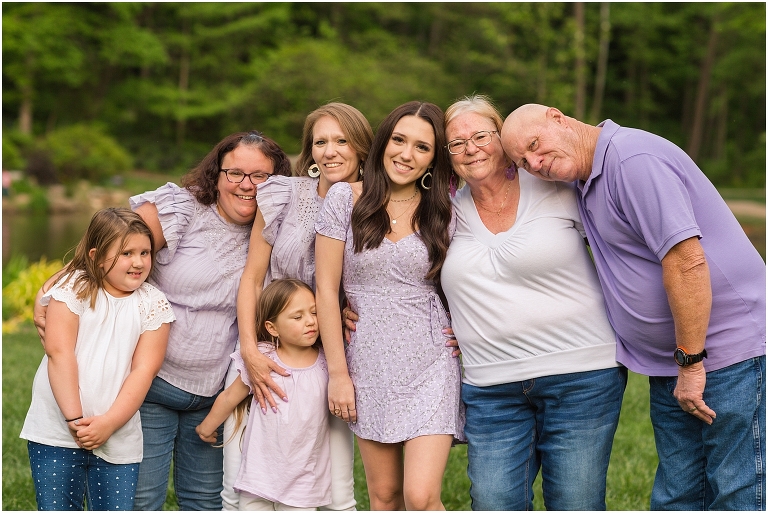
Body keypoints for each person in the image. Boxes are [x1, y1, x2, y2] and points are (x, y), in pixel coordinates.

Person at [501, 104, 766, 510]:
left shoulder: (633, 160)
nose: (535, 164)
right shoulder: (583, 178)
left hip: (725, 354)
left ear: (558, 117)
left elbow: (686, 260)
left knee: (737, 490)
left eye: (535, 146)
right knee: (678, 494)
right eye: (523, 162)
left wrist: (691, 362)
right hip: (674, 361)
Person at [437, 95, 624, 510]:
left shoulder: (555, 184)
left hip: (582, 376)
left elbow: (622, 246)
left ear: (502, 139)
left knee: (575, 502)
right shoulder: (444, 212)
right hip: (490, 387)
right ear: (447, 156)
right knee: (492, 502)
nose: (471, 148)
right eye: (457, 143)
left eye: (481, 135)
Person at [315, 101, 464, 511]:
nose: (406, 154)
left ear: (435, 159)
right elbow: (326, 290)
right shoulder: (347, 199)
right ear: (383, 142)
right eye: (399, 140)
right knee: (384, 497)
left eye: (422, 147)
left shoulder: (446, 211)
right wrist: (339, 375)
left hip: (432, 361)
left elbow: (472, 280)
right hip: (367, 363)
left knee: (420, 496)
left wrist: (466, 333)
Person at [227, 103, 373, 511]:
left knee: (336, 491)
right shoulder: (283, 194)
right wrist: (251, 351)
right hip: (269, 351)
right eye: (320, 141)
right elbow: (253, 278)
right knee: (242, 484)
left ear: (362, 146)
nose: (330, 151)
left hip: (331, 358)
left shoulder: (376, 205)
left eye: (342, 140)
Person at [20, 208, 175, 511]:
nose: (139, 262)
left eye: (145, 252)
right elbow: (59, 353)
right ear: (96, 254)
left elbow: (145, 370)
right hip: (57, 431)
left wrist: (109, 423)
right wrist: (75, 420)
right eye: (126, 253)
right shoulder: (72, 289)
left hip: (118, 436)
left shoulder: (152, 302)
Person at [197, 279, 332, 511]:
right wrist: (207, 426)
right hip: (259, 475)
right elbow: (230, 397)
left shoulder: (327, 363)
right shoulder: (263, 360)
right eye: (297, 317)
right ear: (272, 328)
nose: (310, 321)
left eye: (314, 312)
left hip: (303, 481)